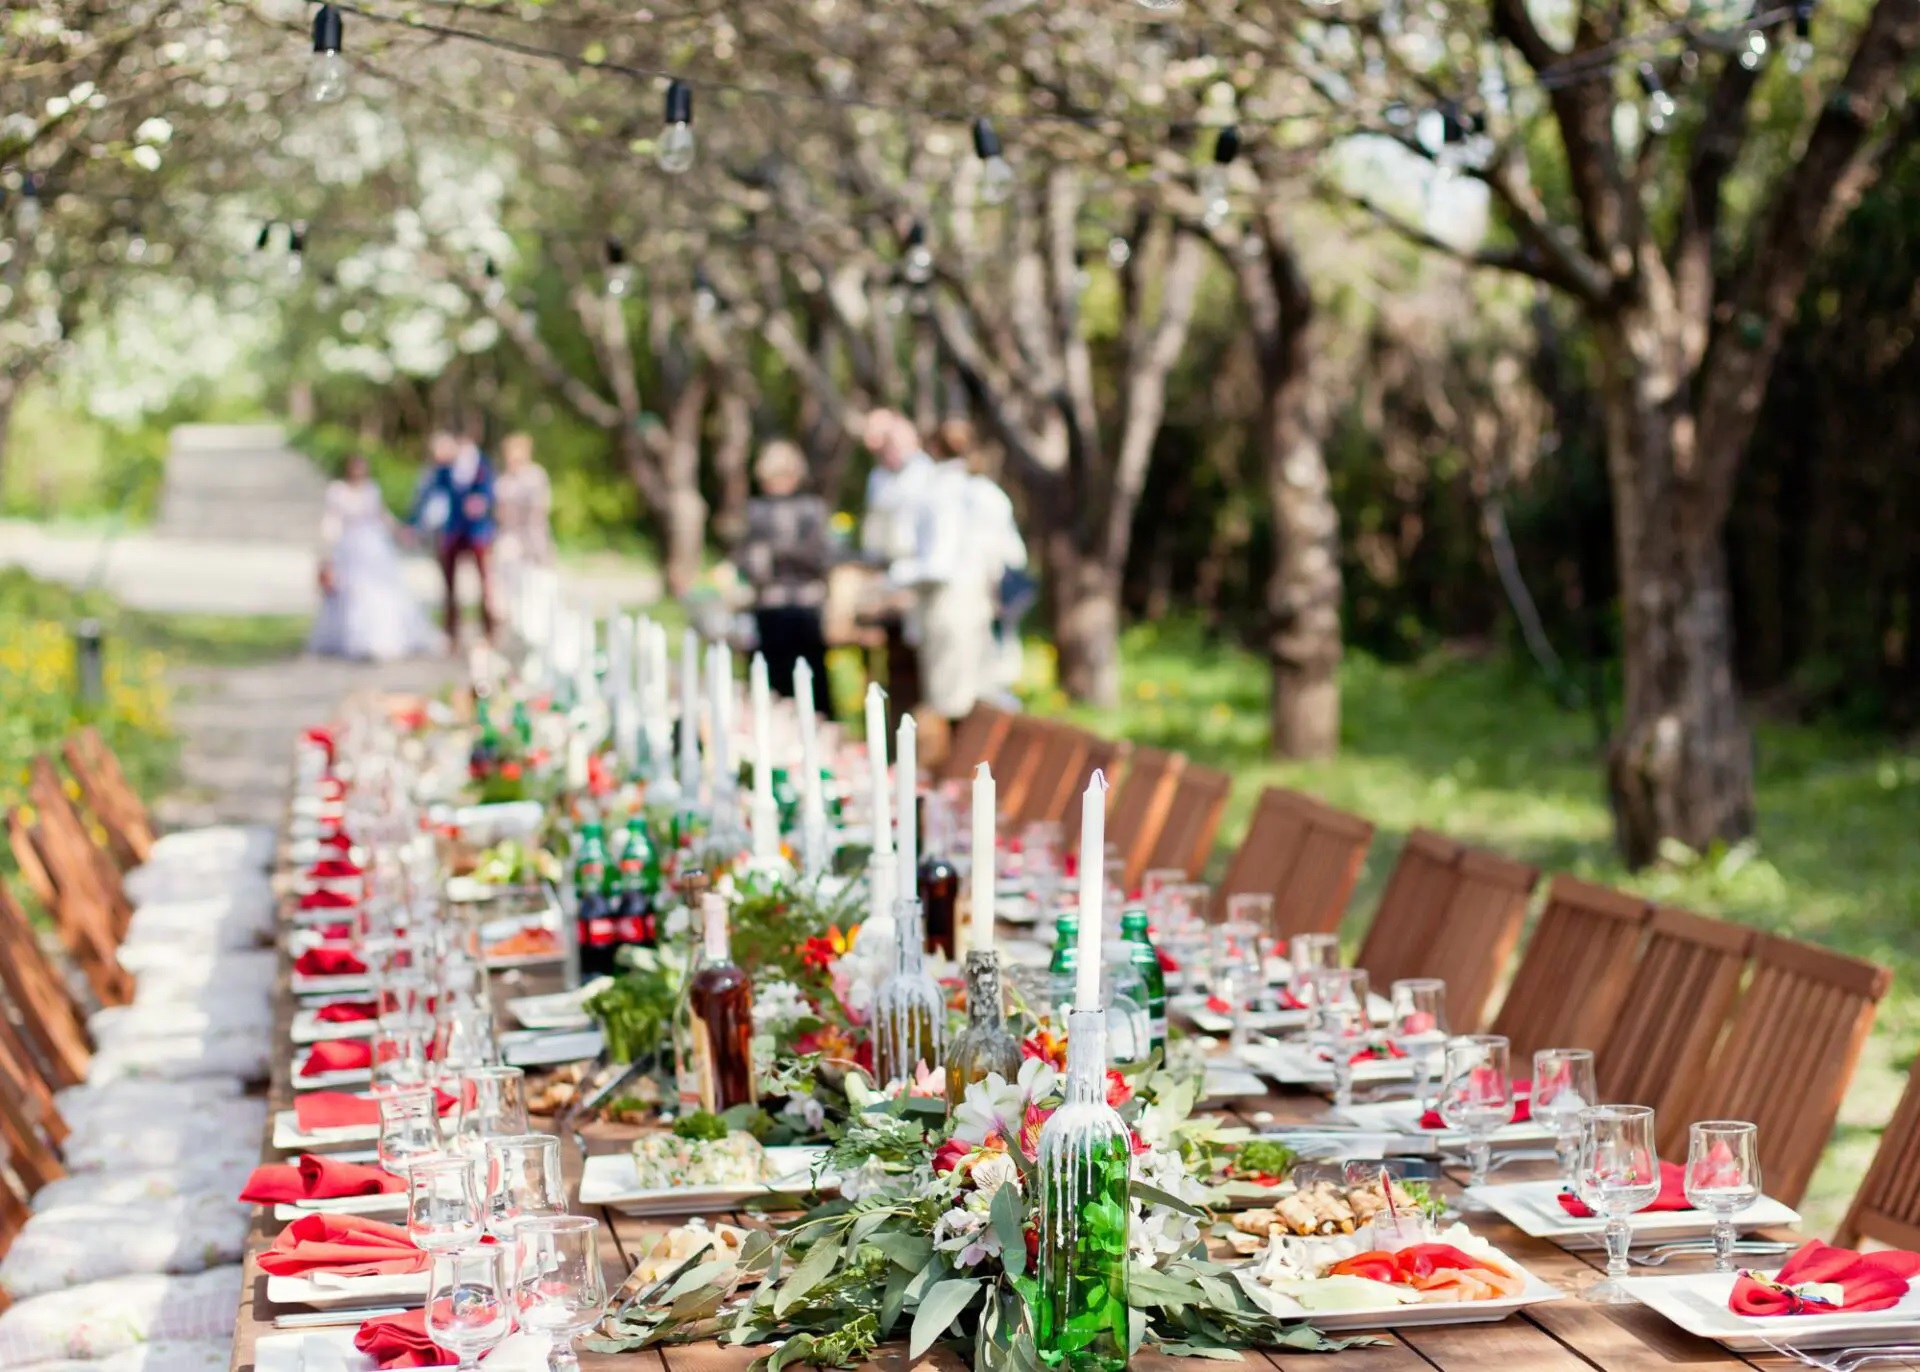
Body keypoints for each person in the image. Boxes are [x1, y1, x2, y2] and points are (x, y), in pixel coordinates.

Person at [891, 418, 1028, 727]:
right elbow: (1014, 554)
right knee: (984, 695)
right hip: (986, 603)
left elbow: (938, 564)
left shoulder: (940, 492)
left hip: (950, 606)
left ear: (934, 448)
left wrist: (894, 576)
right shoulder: (988, 492)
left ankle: (959, 771)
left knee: (952, 703)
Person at [308, 454, 441, 662]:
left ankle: (381, 637)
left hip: (373, 547)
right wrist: (326, 550)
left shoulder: (372, 489)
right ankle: (356, 639)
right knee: (354, 592)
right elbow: (332, 521)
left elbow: (382, 515)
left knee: (381, 590)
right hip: (350, 547)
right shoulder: (338, 491)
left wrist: (401, 532)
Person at [734, 439, 831, 699]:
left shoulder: (810, 509)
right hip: (769, 606)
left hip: (803, 606)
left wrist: (775, 554)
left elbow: (818, 557)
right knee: (771, 682)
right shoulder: (756, 511)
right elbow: (746, 558)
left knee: (810, 682)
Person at [410, 429, 496, 648]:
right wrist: (416, 525)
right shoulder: (443, 470)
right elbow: (429, 498)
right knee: (449, 585)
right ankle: (451, 632)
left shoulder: (481, 465)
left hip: (477, 531)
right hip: (452, 531)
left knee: (485, 582)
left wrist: (481, 502)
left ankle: (488, 630)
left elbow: (489, 490)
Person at [491, 431, 553, 621]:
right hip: (509, 537)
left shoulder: (535, 476)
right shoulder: (504, 479)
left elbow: (539, 510)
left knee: (535, 586)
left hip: (531, 538)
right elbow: (498, 510)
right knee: (507, 588)